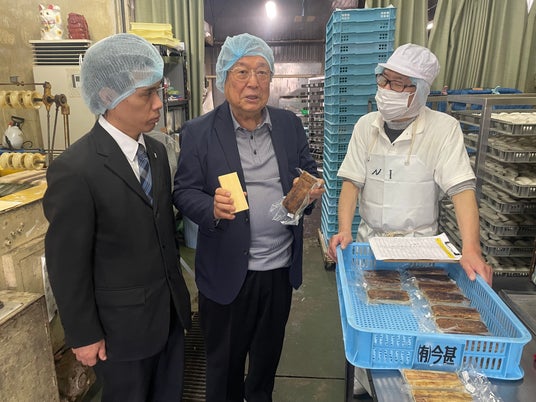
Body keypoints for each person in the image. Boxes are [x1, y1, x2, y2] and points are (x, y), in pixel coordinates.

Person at [327, 43, 493, 396]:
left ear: (421, 90)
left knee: (421, 323)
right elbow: (351, 183)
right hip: (370, 247)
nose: (387, 90)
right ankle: (366, 383)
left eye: (399, 84)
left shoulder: (443, 129)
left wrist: (472, 249)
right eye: (384, 80)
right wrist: (343, 230)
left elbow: (461, 189)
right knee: (373, 320)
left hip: (421, 252)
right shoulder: (366, 126)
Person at [173, 33, 324, 402]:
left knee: (265, 365)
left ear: (271, 79)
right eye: (242, 72)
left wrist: (309, 192)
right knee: (223, 367)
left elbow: (307, 170)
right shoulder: (199, 132)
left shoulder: (288, 125)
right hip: (226, 275)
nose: (253, 82)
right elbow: (184, 191)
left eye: (261, 72)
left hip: (278, 271)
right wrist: (209, 208)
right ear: (225, 77)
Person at [43, 33, 191, 402]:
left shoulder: (155, 153)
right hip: (120, 331)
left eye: (158, 91)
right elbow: (67, 263)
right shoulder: (76, 169)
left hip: (168, 314)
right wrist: (83, 334)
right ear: (109, 96)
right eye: (147, 94)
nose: (158, 104)